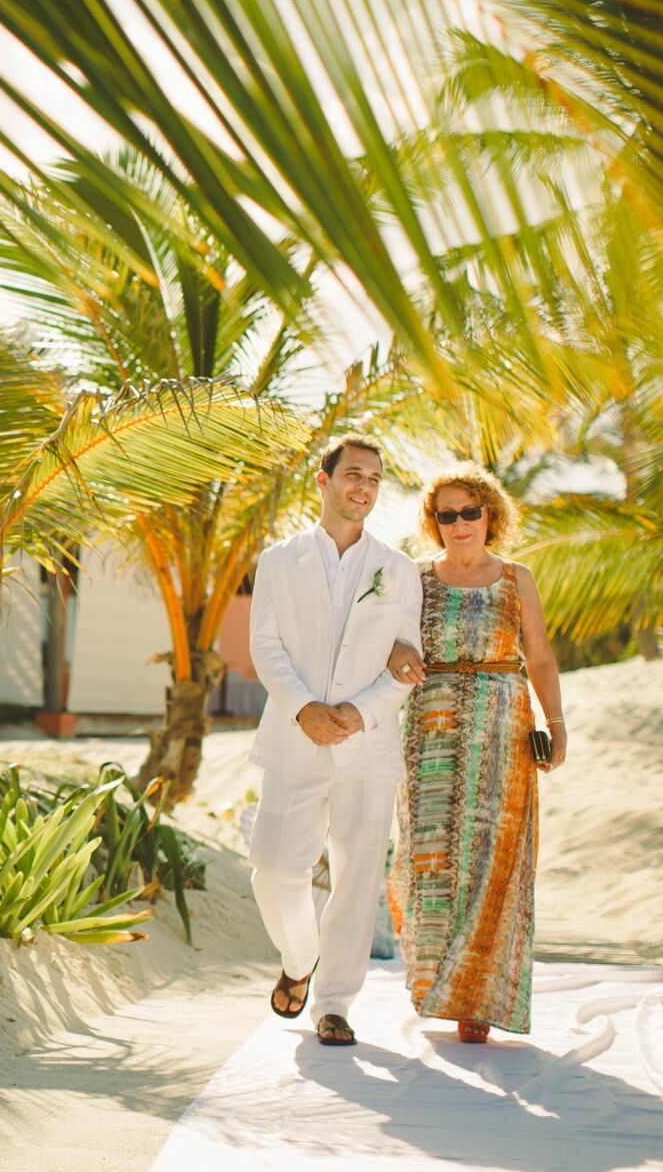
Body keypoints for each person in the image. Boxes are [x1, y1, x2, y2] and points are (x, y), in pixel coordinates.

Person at [247, 435, 423, 1047]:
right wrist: (302, 710)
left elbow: (408, 663)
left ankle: (335, 1004)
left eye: (374, 479)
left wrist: (358, 710)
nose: (364, 488)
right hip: (295, 740)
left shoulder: (398, 569)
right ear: (323, 482)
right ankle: (299, 959)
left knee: (355, 878)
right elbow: (265, 646)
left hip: (366, 747)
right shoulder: (278, 560)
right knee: (272, 868)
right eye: (353, 474)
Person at [385, 465, 565, 1044]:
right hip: (430, 725)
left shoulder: (517, 578)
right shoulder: (414, 578)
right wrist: (393, 654)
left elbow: (538, 656)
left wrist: (556, 723)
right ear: (433, 523)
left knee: (495, 858)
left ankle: (478, 999)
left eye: (470, 512)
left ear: (490, 514)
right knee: (431, 861)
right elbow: (381, 640)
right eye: (447, 514)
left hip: (502, 724)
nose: (460, 524)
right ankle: (435, 984)